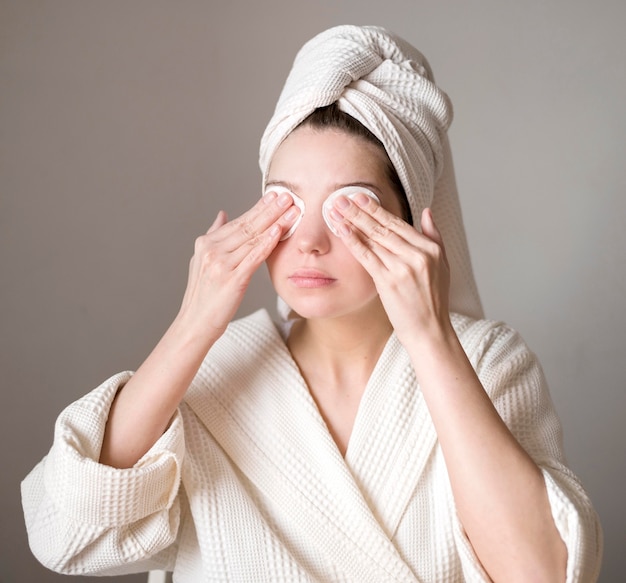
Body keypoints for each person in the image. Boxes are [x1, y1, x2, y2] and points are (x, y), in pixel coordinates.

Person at [21, 25, 602, 582]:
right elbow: (63, 534)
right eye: (285, 204)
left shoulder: (488, 361)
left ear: (409, 223)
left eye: (351, 208)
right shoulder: (214, 374)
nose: (310, 242)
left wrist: (431, 339)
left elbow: (544, 573)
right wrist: (194, 324)